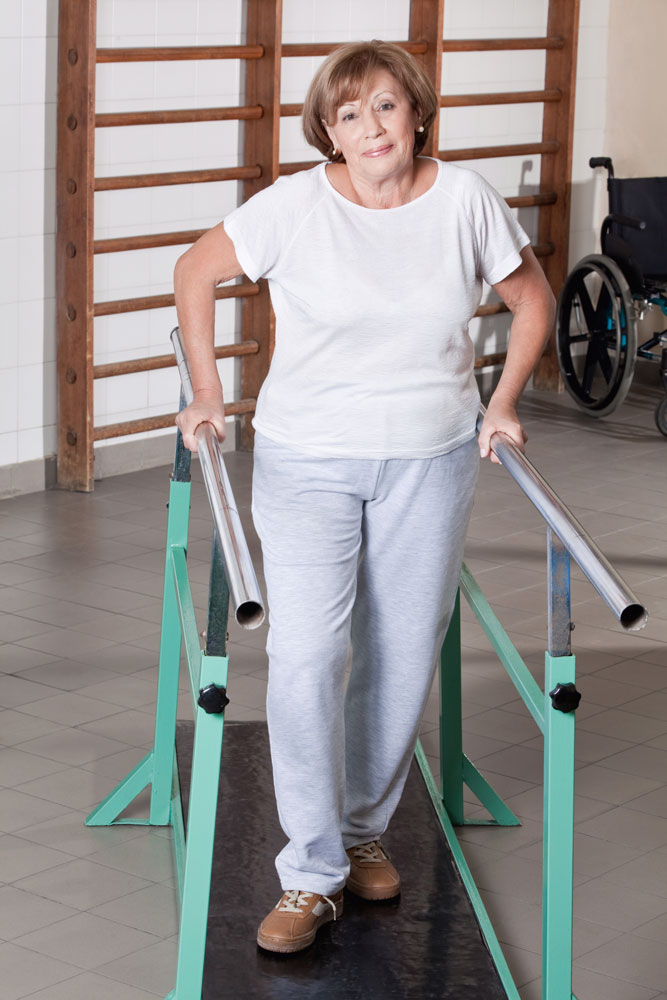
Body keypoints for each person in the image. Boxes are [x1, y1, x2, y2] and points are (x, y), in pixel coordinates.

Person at [173, 40, 555, 955]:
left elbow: (533, 300)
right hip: (308, 458)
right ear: (327, 133)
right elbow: (194, 269)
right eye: (347, 115)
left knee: (398, 651)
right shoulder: (296, 206)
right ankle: (310, 872)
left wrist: (502, 405)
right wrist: (208, 392)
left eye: (385, 106)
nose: (369, 127)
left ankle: (358, 828)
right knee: (307, 653)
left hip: (429, 459)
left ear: (416, 114)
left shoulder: (463, 200)